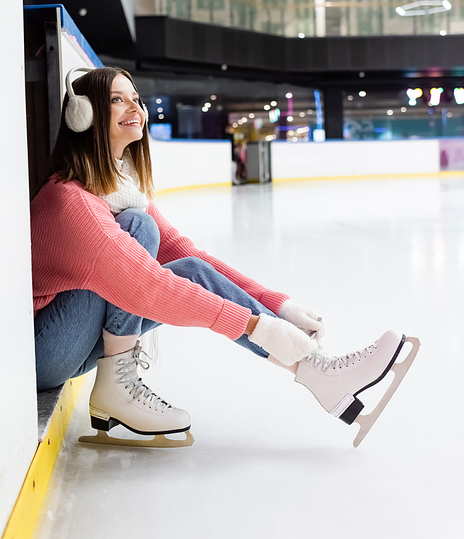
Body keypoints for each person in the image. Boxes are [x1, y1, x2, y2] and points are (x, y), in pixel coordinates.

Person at [31, 66, 419, 447]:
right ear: (84, 115)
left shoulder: (120, 190)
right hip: (45, 354)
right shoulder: (72, 202)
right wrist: (254, 326)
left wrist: (276, 306)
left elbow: (189, 257)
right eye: (117, 100)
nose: (135, 107)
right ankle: (118, 383)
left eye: (136, 98)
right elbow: (148, 286)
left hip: (73, 343)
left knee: (179, 259)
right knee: (140, 230)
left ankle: (320, 373)